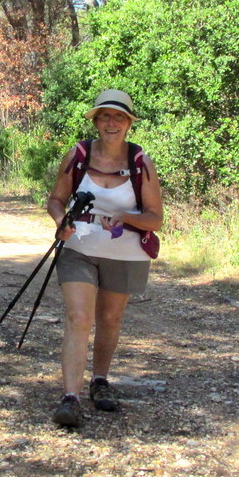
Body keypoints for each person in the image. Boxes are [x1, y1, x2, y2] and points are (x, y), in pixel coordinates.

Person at [45, 89, 163, 427]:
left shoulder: (141, 162)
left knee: (110, 319)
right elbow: (55, 199)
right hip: (79, 246)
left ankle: (99, 380)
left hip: (125, 252)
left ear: (128, 124)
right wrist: (60, 220)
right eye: (105, 116)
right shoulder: (78, 155)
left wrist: (126, 218)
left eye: (119, 117)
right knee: (79, 317)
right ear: (96, 121)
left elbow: (155, 218)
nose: (112, 122)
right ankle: (70, 397)